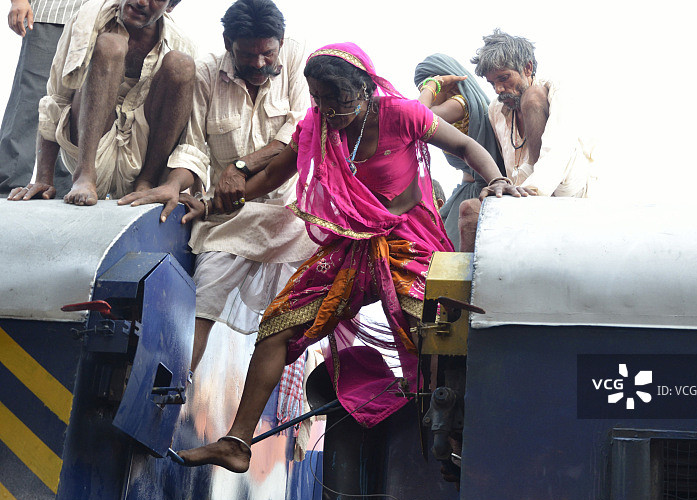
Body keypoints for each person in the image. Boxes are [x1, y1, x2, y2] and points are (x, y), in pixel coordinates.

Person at [175, 42, 509, 473]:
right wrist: (212, 203)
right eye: (319, 100)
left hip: (408, 239)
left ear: (365, 90)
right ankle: (236, 444)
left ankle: (455, 439)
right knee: (277, 325)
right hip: (350, 245)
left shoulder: (401, 113)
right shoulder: (318, 124)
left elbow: (465, 147)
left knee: (432, 329)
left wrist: (498, 179)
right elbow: (276, 173)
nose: (328, 111)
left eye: (337, 101)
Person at [117, 0, 316, 373]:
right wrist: (174, 186)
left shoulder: (296, 59)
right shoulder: (207, 74)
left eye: (267, 53)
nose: (259, 64)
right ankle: (171, 391)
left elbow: (297, 134)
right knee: (202, 302)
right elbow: (192, 148)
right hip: (226, 216)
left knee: (287, 326)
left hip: (290, 218)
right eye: (247, 54)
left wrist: (238, 167)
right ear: (227, 43)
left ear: (281, 42)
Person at [7, 0, 195, 206]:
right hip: (89, 147)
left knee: (182, 64)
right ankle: (85, 176)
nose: (141, 2)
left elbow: (190, 132)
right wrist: (44, 179)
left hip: (142, 157)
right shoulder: (88, 19)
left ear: (170, 6)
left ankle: (147, 182)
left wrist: (186, 189)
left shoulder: (180, 42)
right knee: (111, 45)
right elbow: (57, 99)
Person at [458, 29, 594, 251]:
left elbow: (558, 152)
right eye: (493, 83)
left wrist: (530, 193)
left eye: (504, 78)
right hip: (520, 197)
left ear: (528, 68)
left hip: (564, 192)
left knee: (532, 97)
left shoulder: (557, 89)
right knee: (470, 211)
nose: (499, 89)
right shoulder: (496, 109)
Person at [414, 53, 505, 249]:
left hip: (475, 193)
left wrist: (431, 86)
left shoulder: (459, 103)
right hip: (464, 189)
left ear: (448, 85)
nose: (425, 94)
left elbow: (416, 117)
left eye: (428, 88)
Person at [0, 0, 86, 198]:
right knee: (29, 101)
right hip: (52, 14)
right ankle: (6, 188)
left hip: (104, 16)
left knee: (80, 107)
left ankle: (64, 190)